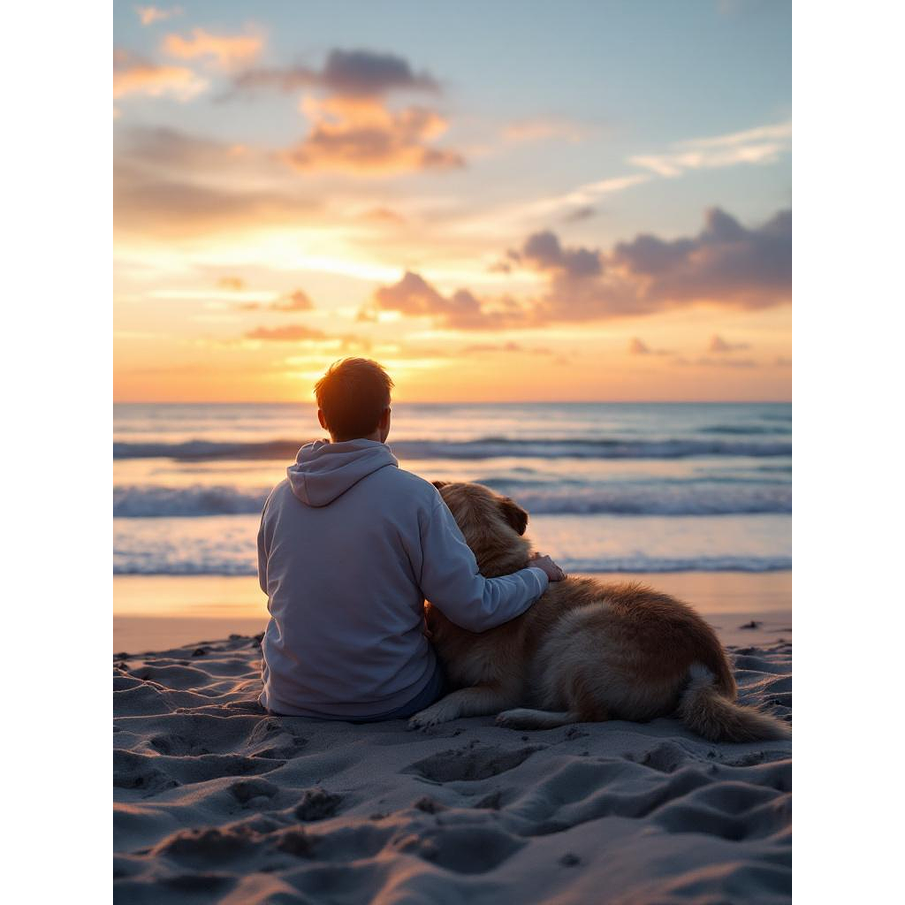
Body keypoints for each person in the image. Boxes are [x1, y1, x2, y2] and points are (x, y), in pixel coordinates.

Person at [256, 357, 566, 721]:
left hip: (287, 698)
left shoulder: (279, 497)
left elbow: (270, 586)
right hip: (390, 699)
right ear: (386, 418)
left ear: (322, 418)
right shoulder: (415, 496)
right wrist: (538, 574)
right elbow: (476, 608)